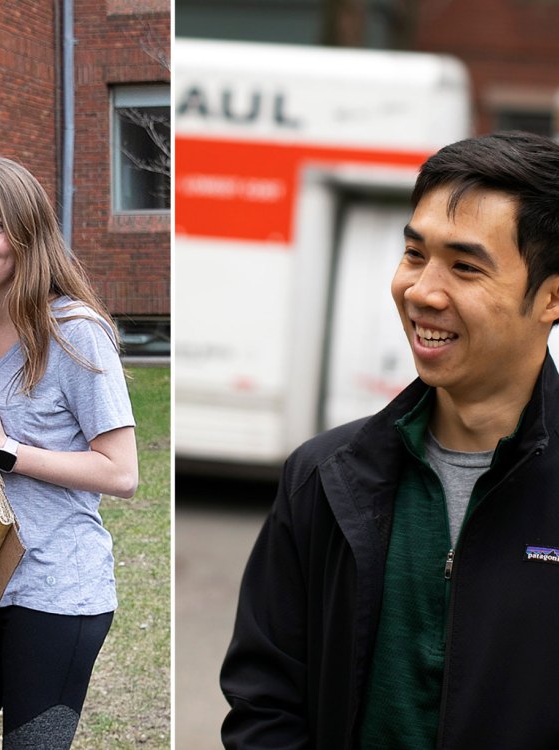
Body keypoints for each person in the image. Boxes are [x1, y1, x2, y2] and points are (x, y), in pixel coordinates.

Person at [221, 130, 559, 748]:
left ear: (551, 296)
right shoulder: (323, 477)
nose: (422, 291)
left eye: (465, 266)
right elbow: (264, 702)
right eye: (413, 254)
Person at [0, 155, 138, 749]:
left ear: (28, 235)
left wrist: (8, 450)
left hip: (57, 593)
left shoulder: (73, 331)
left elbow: (121, 473)